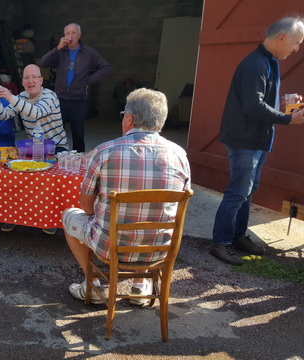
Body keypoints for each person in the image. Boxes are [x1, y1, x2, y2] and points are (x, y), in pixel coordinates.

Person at [62, 88, 190, 305]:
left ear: (129, 119)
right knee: (151, 217)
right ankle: (140, 286)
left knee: (69, 215)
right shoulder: (179, 155)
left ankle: (92, 285)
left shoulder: (104, 151)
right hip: (159, 246)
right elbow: (179, 206)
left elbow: (86, 206)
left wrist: (98, 216)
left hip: (109, 245)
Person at [210, 16, 304, 266]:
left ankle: (237, 236)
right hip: (245, 139)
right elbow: (253, 106)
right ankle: (221, 242)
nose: (296, 49)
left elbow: (259, 100)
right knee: (238, 192)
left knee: (247, 191)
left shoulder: (268, 61)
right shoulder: (256, 65)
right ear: (282, 37)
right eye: (296, 43)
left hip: (256, 138)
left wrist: (285, 104)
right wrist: (288, 119)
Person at [0, 64, 69, 235]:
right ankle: (14, 216)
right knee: (15, 175)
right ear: (22, 82)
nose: (30, 81)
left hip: (56, 147)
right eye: (27, 78)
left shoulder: (50, 95)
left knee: (46, 178)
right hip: (32, 147)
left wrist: (11, 97)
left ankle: (49, 219)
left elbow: (36, 112)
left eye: (34, 77)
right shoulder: (21, 96)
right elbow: (3, 115)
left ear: (41, 80)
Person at [40, 22, 111, 152]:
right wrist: (57, 48)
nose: (70, 36)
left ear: (79, 35)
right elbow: (43, 63)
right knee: (55, 132)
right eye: (67, 33)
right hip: (59, 99)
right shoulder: (61, 52)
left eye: (73, 33)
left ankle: (79, 162)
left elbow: (105, 67)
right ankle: (54, 158)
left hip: (78, 100)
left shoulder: (88, 52)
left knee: (78, 134)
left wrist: (88, 80)